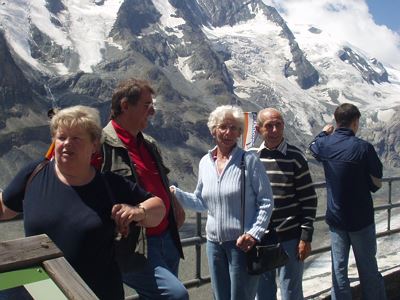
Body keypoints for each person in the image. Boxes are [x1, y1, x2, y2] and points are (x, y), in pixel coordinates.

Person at [0, 105, 166, 300]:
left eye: (76, 138)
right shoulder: (34, 173)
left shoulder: (110, 185)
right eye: (61, 137)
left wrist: (139, 211)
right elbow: (4, 208)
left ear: (94, 144)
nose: (67, 143)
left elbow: (158, 208)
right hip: (40, 290)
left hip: (93, 293)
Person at [94, 78, 188, 299]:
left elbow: (161, 181)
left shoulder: (148, 143)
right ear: (125, 106)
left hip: (166, 237)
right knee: (175, 295)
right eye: (147, 105)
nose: (153, 111)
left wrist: (174, 204)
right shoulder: (100, 145)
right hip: (135, 245)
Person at [170, 105, 274, 300]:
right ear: (213, 130)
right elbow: (202, 202)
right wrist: (176, 194)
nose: (228, 132)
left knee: (240, 297)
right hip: (214, 245)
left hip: (241, 245)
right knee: (221, 297)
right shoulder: (204, 162)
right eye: (223, 127)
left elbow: (266, 200)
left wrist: (253, 234)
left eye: (234, 128)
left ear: (239, 132)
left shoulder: (248, 160)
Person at [309, 103, 386, 300]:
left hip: (336, 220)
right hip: (361, 219)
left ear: (336, 122)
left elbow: (313, 147)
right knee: (368, 268)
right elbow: (377, 181)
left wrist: (324, 133)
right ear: (355, 122)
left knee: (339, 272)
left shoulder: (325, 144)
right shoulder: (363, 148)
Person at [250, 108, 317, 300]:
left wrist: (305, 237)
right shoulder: (252, 156)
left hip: (291, 236)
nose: (274, 130)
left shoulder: (295, 157)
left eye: (278, 124)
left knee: (291, 292)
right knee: (263, 293)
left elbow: (309, 198)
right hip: (260, 237)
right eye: (268, 125)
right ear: (258, 128)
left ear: (283, 126)